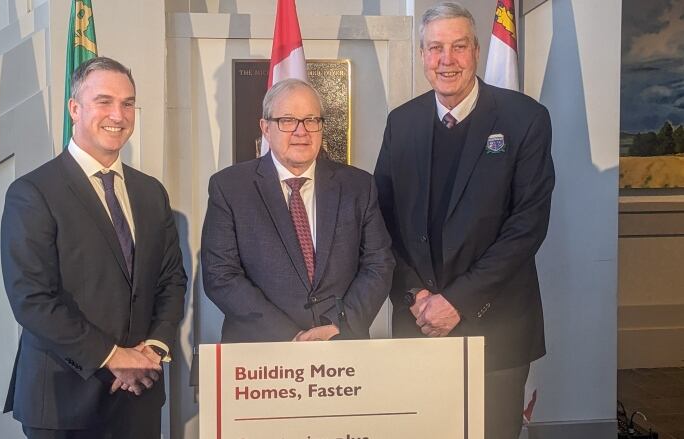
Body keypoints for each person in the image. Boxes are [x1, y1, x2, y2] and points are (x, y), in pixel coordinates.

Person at [373, 3, 554, 438]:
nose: (446, 60)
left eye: (458, 46)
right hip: (419, 323)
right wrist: (415, 293)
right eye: (435, 48)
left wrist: (458, 301)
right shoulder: (402, 122)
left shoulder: (524, 119)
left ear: (476, 50)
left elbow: (526, 225)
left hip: (497, 326)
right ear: (421, 55)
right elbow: (381, 220)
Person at [1, 57, 186, 438]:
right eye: (104, 101)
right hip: (62, 400)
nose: (118, 114)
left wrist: (151, 350)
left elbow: (171, 281)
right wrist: (115, 357)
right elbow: (32, 300)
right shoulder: (34, 192)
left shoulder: (150, 192)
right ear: (75, 108)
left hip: (139, 396)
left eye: (128, 103)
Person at [202, 78, 394, 343]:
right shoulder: (230, 188)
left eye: (311, 120)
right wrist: (291, 336)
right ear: (266, 128)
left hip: (341, 345)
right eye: (288, 120)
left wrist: (339, 324)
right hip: (261, 353)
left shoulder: (358, 186)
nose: (301, 131)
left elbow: (379, 264)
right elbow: (220, 275)